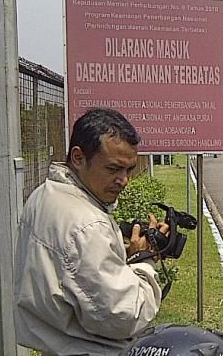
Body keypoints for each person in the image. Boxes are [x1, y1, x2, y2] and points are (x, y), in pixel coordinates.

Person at [14, 108, 168, 355]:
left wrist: (119, 259)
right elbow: (124, 316)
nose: (123, 180)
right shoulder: (87, 225)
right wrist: (144, 262)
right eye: (113, 169)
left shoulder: (44, 195)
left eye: (128, 170)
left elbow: (70, 272)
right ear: (78, 157)